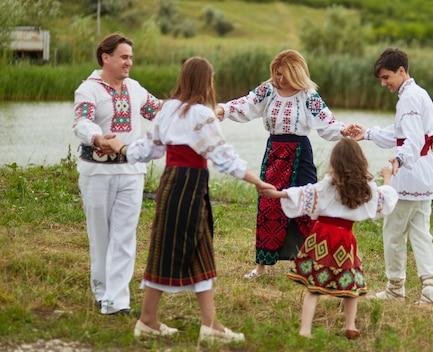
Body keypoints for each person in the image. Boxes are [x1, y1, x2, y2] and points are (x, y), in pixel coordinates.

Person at [107, 57, 275, 343]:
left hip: (171, 183)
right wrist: (258, 182)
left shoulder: (168, 108)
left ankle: (209, 325)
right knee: (166, 251)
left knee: (199, 250)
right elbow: (224, 157)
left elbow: (148, 149)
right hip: (189, 185)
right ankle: (148, 320)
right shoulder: (201, 114)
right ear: (205, 81)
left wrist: (121, 148)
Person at [215, 49, 356, 279]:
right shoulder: (268, 91)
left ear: (297, 72)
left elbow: (326, 122)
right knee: (269, 207)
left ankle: (318, 262)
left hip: (301, 155)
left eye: (285, 74)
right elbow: (245, 104)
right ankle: (262, 266)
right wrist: (223, 109)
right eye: (277, 73)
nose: (280, 79)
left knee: (307, 204)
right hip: (274, 153)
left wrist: (344, 130)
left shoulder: (308, 95)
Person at [259, 137, 398, 339]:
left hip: (323, 235)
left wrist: (278, 194)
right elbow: (384, 197)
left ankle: (305, 329)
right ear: (361, 161)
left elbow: (305, 193)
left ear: (335, 162)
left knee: (315, 286)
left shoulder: (328, 184)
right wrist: (388, 177)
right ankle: (350, 325)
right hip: (345, 238)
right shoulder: (365, 186)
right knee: (350, 285)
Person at [72, 32, 162, 315]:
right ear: (106, 57)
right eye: (124, 57)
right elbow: (82, 122)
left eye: (131, 58)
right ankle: (101, 293)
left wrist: (193, 111)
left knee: (125, 237)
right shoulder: (88, 89)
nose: (129, 63)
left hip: (132, 172)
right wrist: (97, 138)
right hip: (97, 173)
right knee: (101, 237)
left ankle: (117, 301)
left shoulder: (135, 89)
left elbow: (160, 112)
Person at [349, 48, 433, 307]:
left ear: (401, 71)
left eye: (386, 77)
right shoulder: (417, 93)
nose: (384, 83)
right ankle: (429, 289)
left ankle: (395, 289)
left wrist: (398, 161)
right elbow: (401, 134)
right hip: (424, 175)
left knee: (393, 232)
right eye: (381, 79)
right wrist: (368, 133)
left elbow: (412, 140)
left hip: (410, 175)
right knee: (421, 233)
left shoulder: (409, 99)